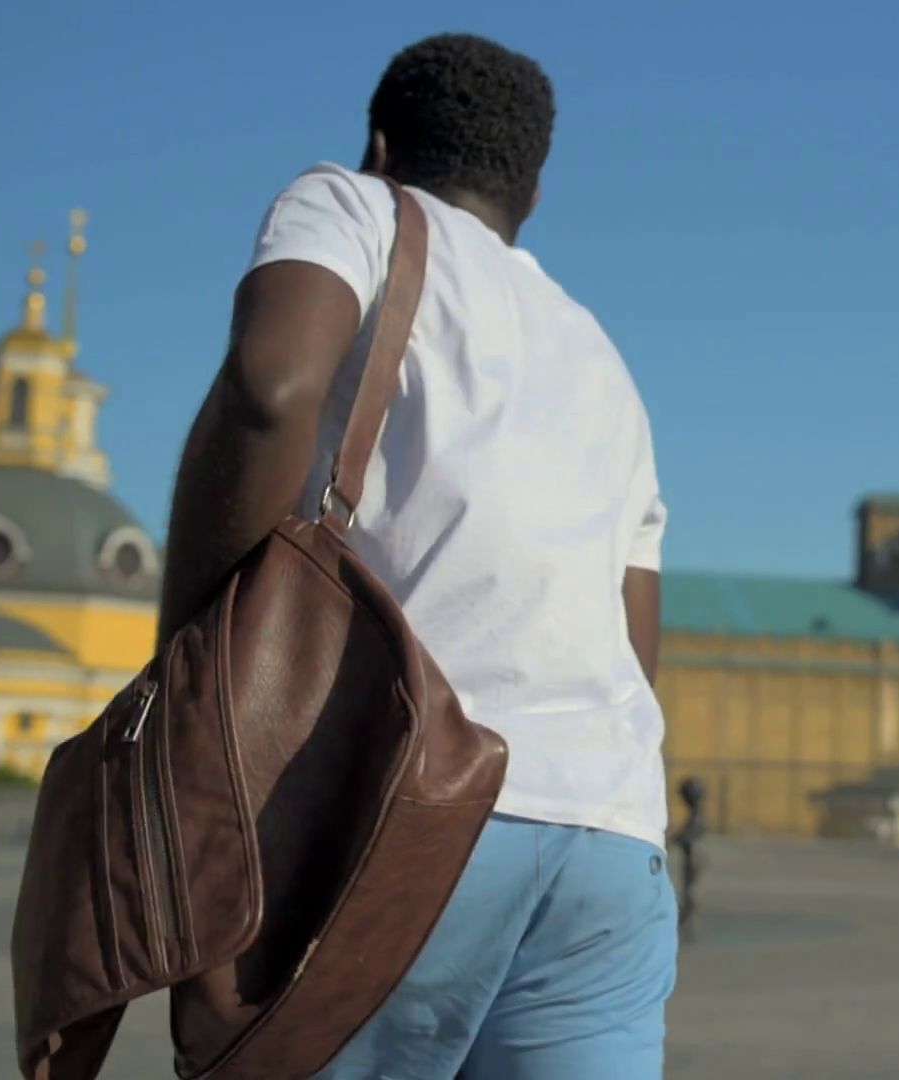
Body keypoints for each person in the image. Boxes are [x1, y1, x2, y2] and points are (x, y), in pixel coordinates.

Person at [155, 33, 676, 1080]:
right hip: (610, 839)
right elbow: (635, 621)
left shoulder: (352, 209)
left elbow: (271, 389)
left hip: (406, 808)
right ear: (532, 189)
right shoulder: (597, 353)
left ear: (378, 146)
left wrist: (193, 669)